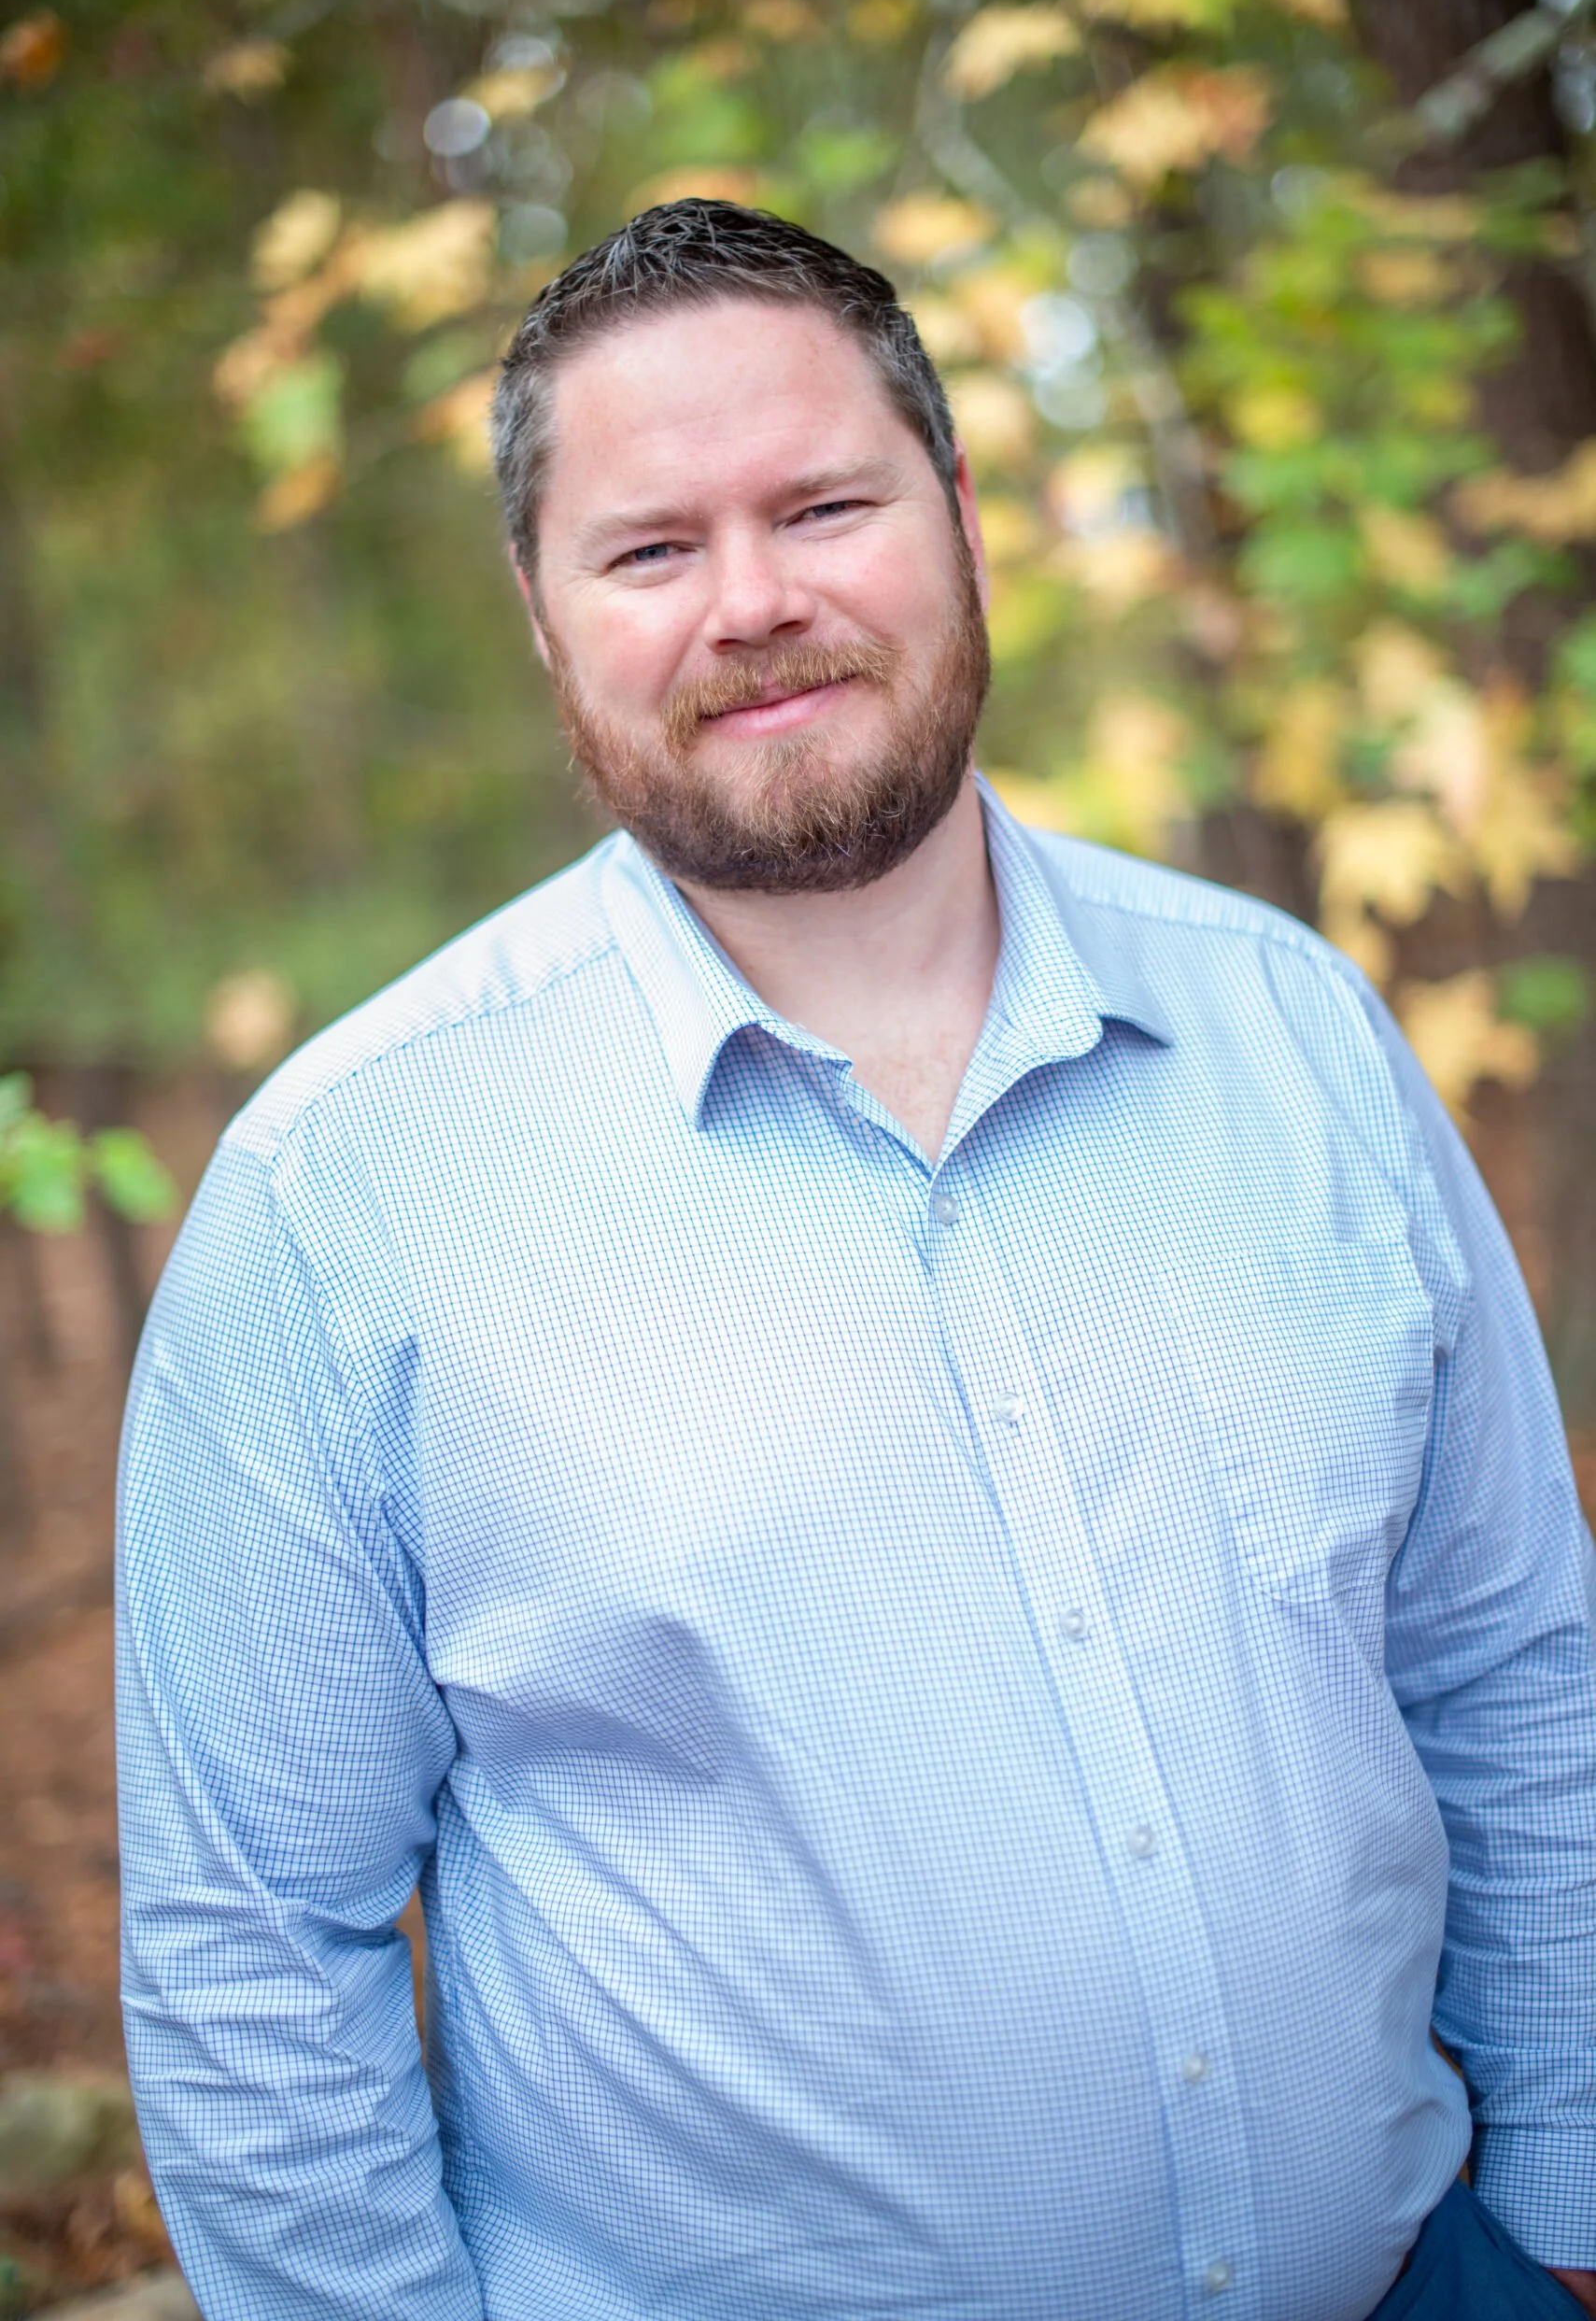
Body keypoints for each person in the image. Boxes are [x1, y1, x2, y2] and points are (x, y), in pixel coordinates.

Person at [118, 201, 1596, 2321]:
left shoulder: (1295, 1036)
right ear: (543, 618)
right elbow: (256, 1951)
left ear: (961, 512)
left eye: (821, 503)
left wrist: (1557, 2215)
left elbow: (1506, 1675)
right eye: (648, 549)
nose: (754, 602)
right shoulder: (346, 1194)